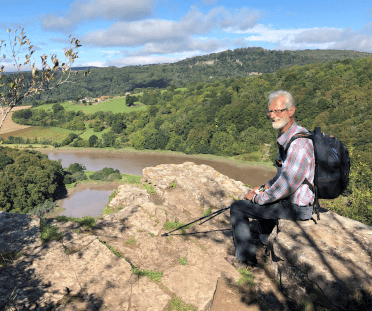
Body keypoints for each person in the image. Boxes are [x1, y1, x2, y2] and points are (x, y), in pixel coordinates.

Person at [226, 90, 315, 268]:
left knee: (238, 208)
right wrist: (263, 187)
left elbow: (286, 187)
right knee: (264, 199)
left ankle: (245, 260)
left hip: (296, 208)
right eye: (270, 112)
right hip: (290, 202)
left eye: (278, 111)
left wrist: (257, 197)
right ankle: (266, 243)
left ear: (291, 111)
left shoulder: (298, 145)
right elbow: (282, 176)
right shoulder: (289, 136)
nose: (273, 116)